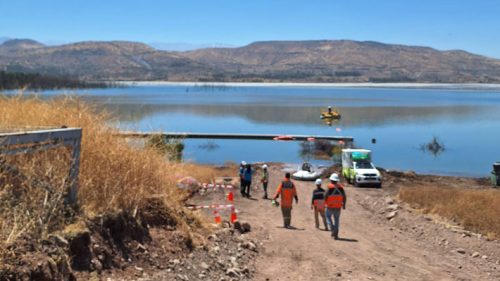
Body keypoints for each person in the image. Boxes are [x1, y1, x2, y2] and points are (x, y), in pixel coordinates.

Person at [324, 173, 346, 239]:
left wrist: (324, 203)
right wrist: (344, 205)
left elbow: (325, 196)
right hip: (338, 207)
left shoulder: (329, 187)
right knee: (337, 220)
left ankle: (332, 228)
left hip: (330, 206)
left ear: (331, 180)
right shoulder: (341, 188)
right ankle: (336, 234)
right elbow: (344, 197)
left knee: (328, 217)